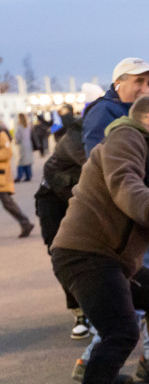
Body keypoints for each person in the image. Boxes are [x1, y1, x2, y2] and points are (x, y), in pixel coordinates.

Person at [50, 93, 149, 384]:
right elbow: (125, 184)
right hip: (86, 254)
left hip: (113, 261)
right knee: (121, 331)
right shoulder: (126, 137)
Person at [35, 105, 90, 338]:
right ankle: (79, 310)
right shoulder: (75, 135)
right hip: (53, 198)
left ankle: (99, 307)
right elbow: (96, 166)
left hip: (79, 198)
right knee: (60, 252)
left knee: (94, 254)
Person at [82, 57, 149, 157]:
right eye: (139, 81)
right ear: (118, 84)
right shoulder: (102, 112)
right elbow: (99, 158)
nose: (146, 89)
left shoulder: (148, 111)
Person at [0, 120, 34, 238]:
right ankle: (25, 223)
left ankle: (25, 223)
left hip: (1, 176)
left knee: (7, 202)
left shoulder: (1, 134)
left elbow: (7, 152)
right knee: (7, 202)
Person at [14, 113, 34, 182]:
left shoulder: (19, 126)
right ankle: (28, 176)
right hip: (28, 145)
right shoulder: (28, 125)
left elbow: (18, 137)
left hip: (22, 146)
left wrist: (16, 141)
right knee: (27, 161)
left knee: (20, 162)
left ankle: (19, 176)